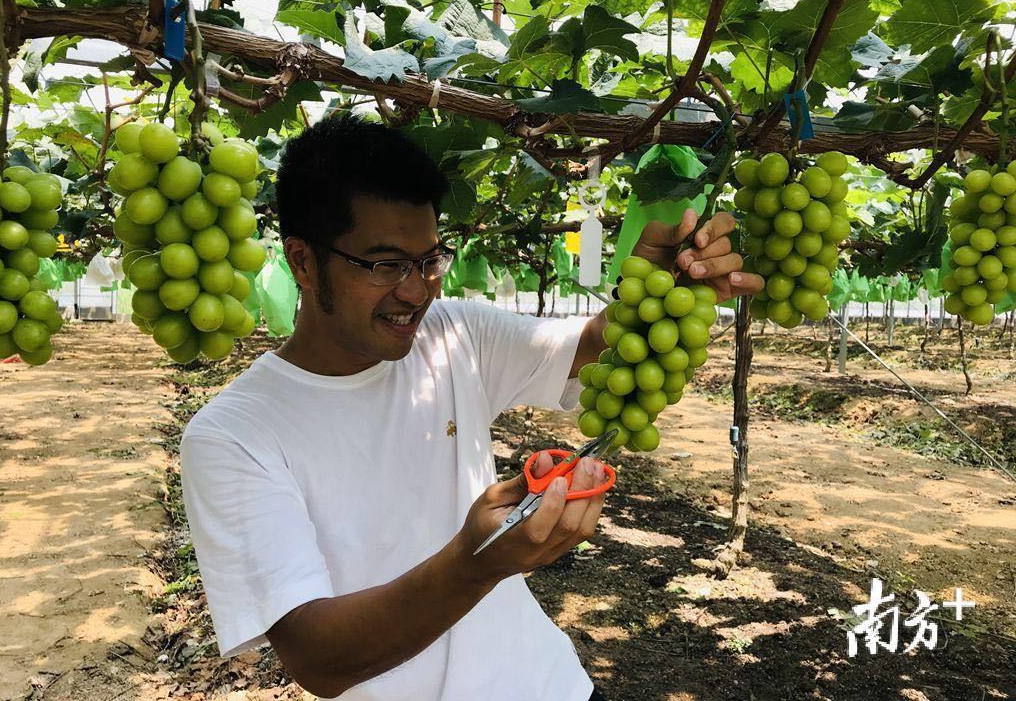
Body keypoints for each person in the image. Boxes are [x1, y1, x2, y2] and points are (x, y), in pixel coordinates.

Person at [180, 114, 764, 701]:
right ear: (303, 262)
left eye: (430, 260)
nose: (417, 290)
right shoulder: (234, 435)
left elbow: (593, 345)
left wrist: (660, 284)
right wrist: (476, 563)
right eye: (386, 265)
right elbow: (319, 659)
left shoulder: (452, 334)